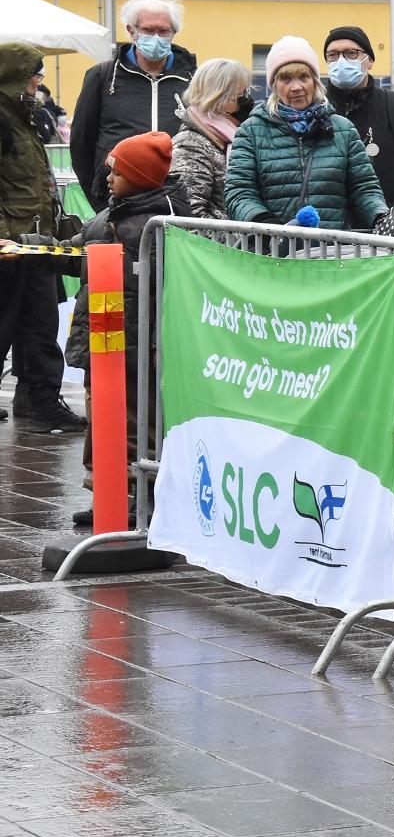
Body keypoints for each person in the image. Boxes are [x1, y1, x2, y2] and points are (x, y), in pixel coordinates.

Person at [18, 132, 181, 513]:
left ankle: (145, 498)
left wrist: (158, 343)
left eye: (118, 172)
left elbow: (171, 289)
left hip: (140, 346)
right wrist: (33, 247)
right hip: (103, 341)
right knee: (101, 419)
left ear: (141, 177)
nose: (108, 178)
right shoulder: (107, 217)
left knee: (139, 422)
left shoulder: (160, 225)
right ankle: (106, 494)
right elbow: (76, 253)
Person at [0, 44, 86, 433]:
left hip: (34, 242)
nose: (40, 80)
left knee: (39, 322)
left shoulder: (24, 117)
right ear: (16, 76)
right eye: (35, 72)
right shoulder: (5, 119)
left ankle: (41, 402)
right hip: (11, 246)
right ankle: (40, 401)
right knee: (7, 324)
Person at [225, 37, 388, 230]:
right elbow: (239, 192)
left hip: (332, 252)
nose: (296, 87)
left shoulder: (343, 130)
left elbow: (365, 188)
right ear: (274, 85)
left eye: (304, 77)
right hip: (271, 251)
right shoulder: (251, 131)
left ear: (315, 81)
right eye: (286, 79)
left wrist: (380, 217)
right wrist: (262, 221)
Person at [70, 0, 197, 211]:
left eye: (164, 31)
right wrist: (98, 195)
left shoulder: (194, 78)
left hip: (176, 201)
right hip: (114, 201)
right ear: (132, 31)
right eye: (148, 30)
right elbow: (81, 142)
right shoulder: (103, 76)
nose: (156, 37)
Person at [322, 27, 394, 207]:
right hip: (326, 226)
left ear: (370, 61)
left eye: (351, 53)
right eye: (333, 55)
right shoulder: (317, 107)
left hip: (382, 226)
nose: (341, 60)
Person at [169, 59, 254, 220]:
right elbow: (190, 215)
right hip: (220, 244)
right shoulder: (190, 145)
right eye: (240, 95)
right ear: (218, 97)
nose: (246, 101)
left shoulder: (229, 138)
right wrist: (241, 241)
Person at [28, 63, 65, 145]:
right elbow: (45, 135)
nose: (39, 83)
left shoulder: (38, 109)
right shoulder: (36, 109)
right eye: (38, 76)